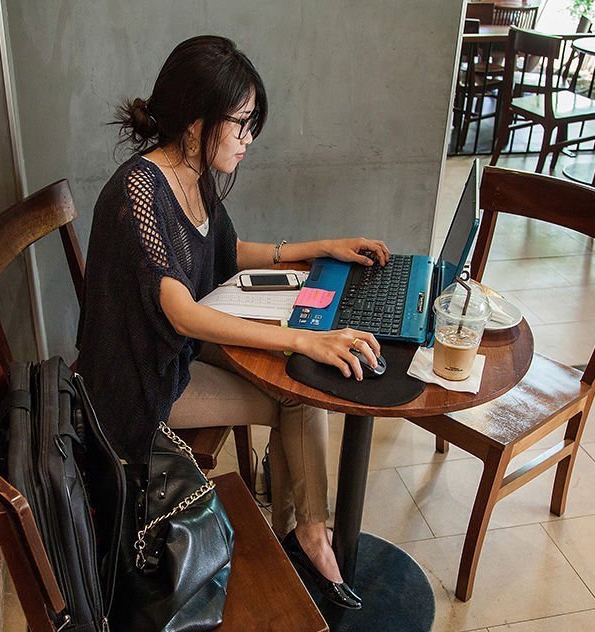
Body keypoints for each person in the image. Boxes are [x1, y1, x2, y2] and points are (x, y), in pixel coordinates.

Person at [77, 35, 389, 610]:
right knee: (297, 390)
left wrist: (322, 247)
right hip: (139, 386)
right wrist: (304, 339)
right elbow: (182, 312)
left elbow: (228, 251)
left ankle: (304, 531)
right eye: (241, 124)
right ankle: (305, 535)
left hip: (177, 350)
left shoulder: (191, 170)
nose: (248, 139)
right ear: (198, 121)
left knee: (297, 381)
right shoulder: (139, 191)